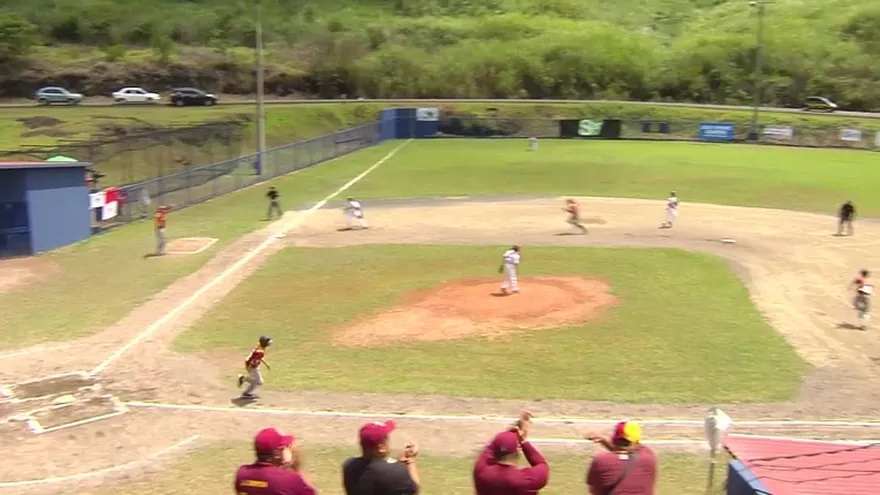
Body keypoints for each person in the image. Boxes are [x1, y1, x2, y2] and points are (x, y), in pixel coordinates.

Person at [473, 411, 549, 495]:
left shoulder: (481, 472)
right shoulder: (525, 480)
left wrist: (508, 435)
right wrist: (522, 440)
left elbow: (489, 449)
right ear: (518, 449)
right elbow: (541, 464)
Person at [342, 420, 420, 495]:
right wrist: (410, 460)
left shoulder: (349, 465)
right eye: (387, 438)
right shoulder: (394, 471)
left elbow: (375, 471)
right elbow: (414, 490)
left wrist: (398, 463)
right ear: (381, 448)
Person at [235, 427, 317, 495]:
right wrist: (294, 467)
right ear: (276, 453)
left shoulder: (242, 474)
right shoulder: (289, 479)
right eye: (285, 447)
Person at [585, 421, 657, 495]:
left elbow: (593, 490)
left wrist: (604, 440)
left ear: (614, 440)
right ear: (636, 441)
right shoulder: (648, 457)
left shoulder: (600, 460)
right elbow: (627, 451)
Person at [238, 335, 273, 399]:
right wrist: (249, 368)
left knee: (256, 381)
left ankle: (247, 392)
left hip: (251, 365)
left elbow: (257, 357)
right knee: (259, 382)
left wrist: (266, 363)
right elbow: (254, 360)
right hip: (252, 366)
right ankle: (243, 379)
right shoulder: (260, 352)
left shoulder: (259, 347)